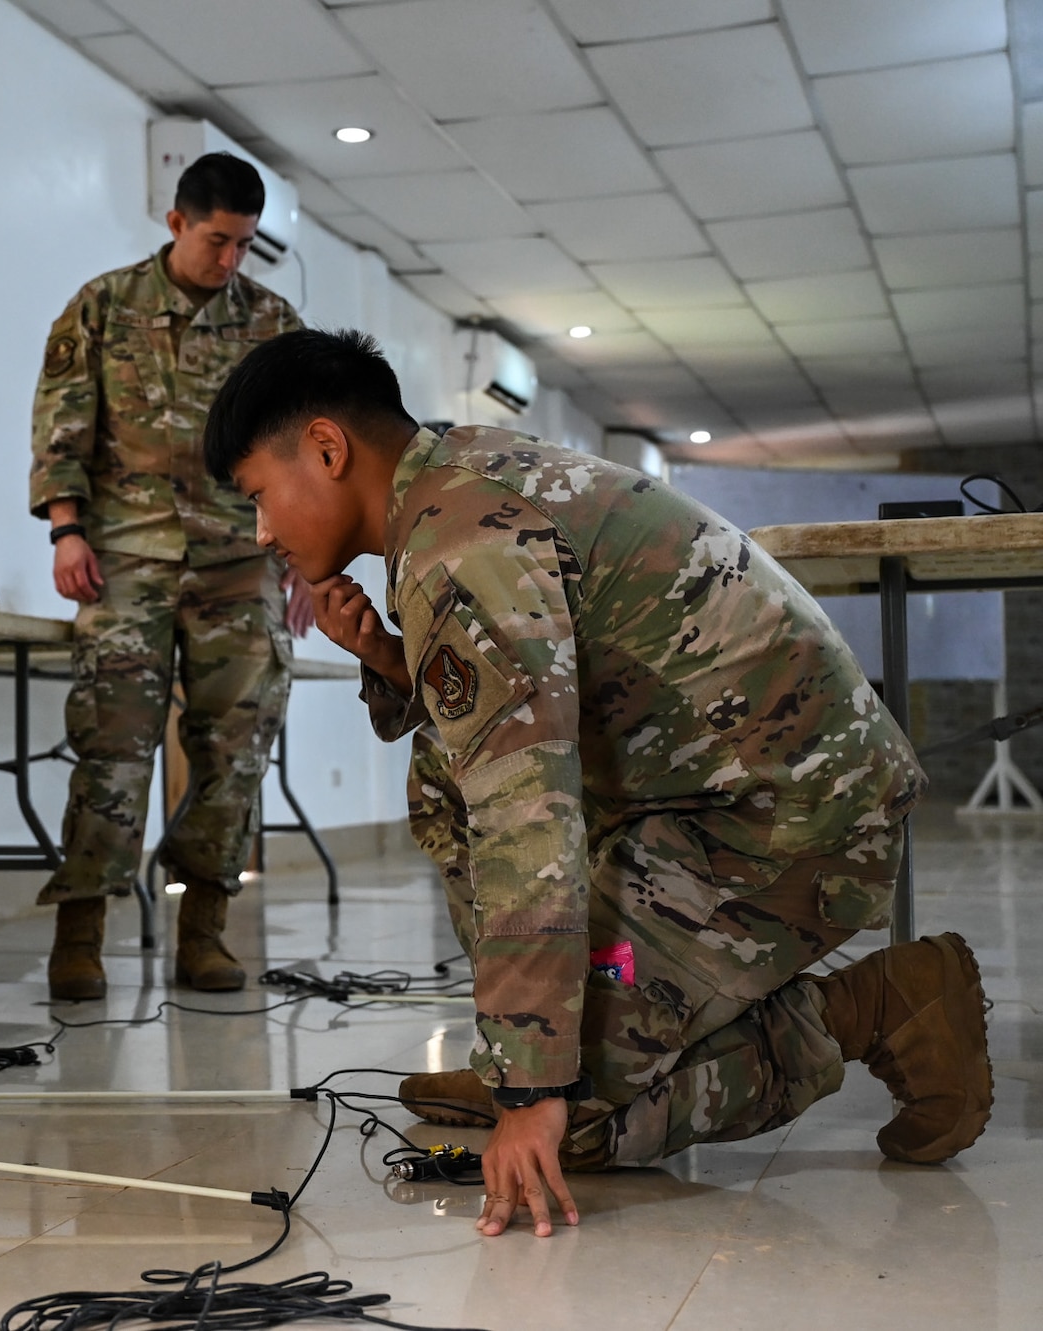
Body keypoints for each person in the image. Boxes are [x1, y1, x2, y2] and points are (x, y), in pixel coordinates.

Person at [202, 328, 993, 1237]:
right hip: (721, 794)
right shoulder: (456, 482)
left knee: (565, 1130)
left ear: (328, 448)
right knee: (446, 777)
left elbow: (524, 814)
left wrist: (534, 1084)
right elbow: (518, 719)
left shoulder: (461, 543)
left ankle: (876, 1006)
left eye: (259, 495)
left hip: (792, 823)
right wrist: (386, 654)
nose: (261, 532)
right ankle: (578, 1036)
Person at [28, 152, 311, 1001]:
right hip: (126, 554)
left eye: (246, 246)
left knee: (236, 749)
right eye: (218, 240)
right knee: (113, 745)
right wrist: (66, 531)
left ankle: (206, 931)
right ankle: (79, 936)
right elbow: (62, 423)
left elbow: (299, 452)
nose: (230, 261)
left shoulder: (273, 323)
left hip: (239, 559)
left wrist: (300, 555)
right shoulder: (103, 305)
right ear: (176, 222)